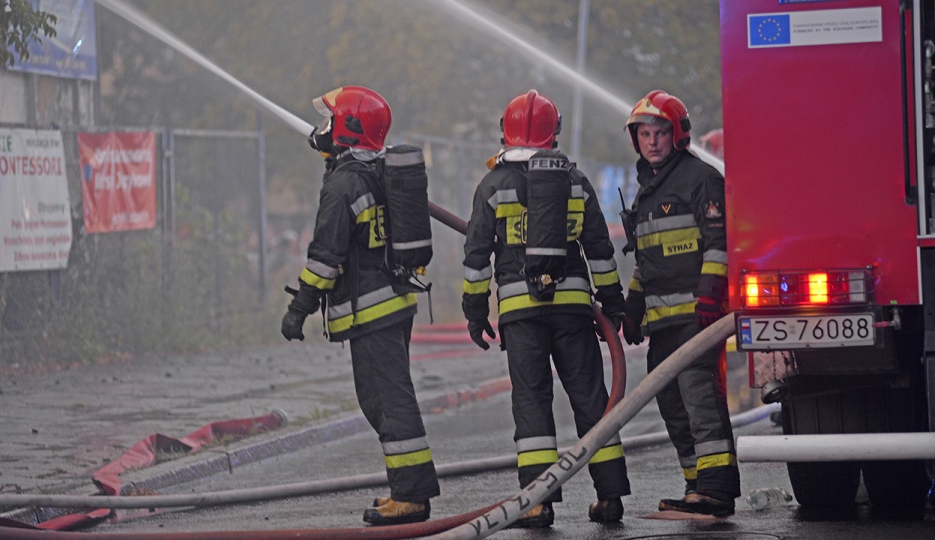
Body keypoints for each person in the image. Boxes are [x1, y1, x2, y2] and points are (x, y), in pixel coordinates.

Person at [462, 89, 631, 528]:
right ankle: (610, 495)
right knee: (592, 399)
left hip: (520, 314)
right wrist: (613, 305)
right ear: (553, 132)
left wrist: (475, 312)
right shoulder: (574, 181)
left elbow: (477, 257)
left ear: (505, 130)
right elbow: (599, 252)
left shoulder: (492, 185)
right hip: (574, 309)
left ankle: (537, 502)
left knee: (532, 403)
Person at [280, 86, 439, 526]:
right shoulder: (373, 171)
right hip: (393, 304)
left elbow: (325, 256)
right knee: (386, 399)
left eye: (332, 120)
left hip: (372, 312)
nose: (325, 127)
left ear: (348, 127)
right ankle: (407, 490)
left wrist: (301, 308)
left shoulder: (345, 183)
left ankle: (412, 497)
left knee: (388, 402)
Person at [621, 89, 739, 517]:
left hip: (696, 316)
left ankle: (716, 488)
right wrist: (634, 305)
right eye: (645, 134)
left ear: (678, 135)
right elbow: (647, 257)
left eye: (660, 133)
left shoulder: (699, 179)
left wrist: (711, 293)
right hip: (662, 322)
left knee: (700, 399)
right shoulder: (648, 190)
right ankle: (695, 487)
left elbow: (718, 241)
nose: (652, 142)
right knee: (672, 404)